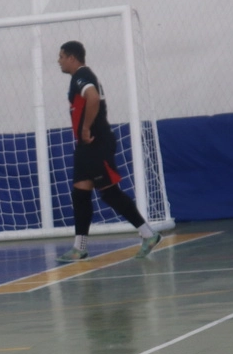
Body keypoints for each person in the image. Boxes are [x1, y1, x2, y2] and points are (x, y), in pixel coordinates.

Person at [56, 41, 161, 262]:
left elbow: (92, 98)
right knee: (80, 195)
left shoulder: (82, 76)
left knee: (110, 193)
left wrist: (85, 128)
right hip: (86, 148)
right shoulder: (79, 77)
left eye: (62, 57)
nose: (59, 61)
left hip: (96, 144)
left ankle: (148, 234)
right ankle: (79, 247)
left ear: (72, 58)